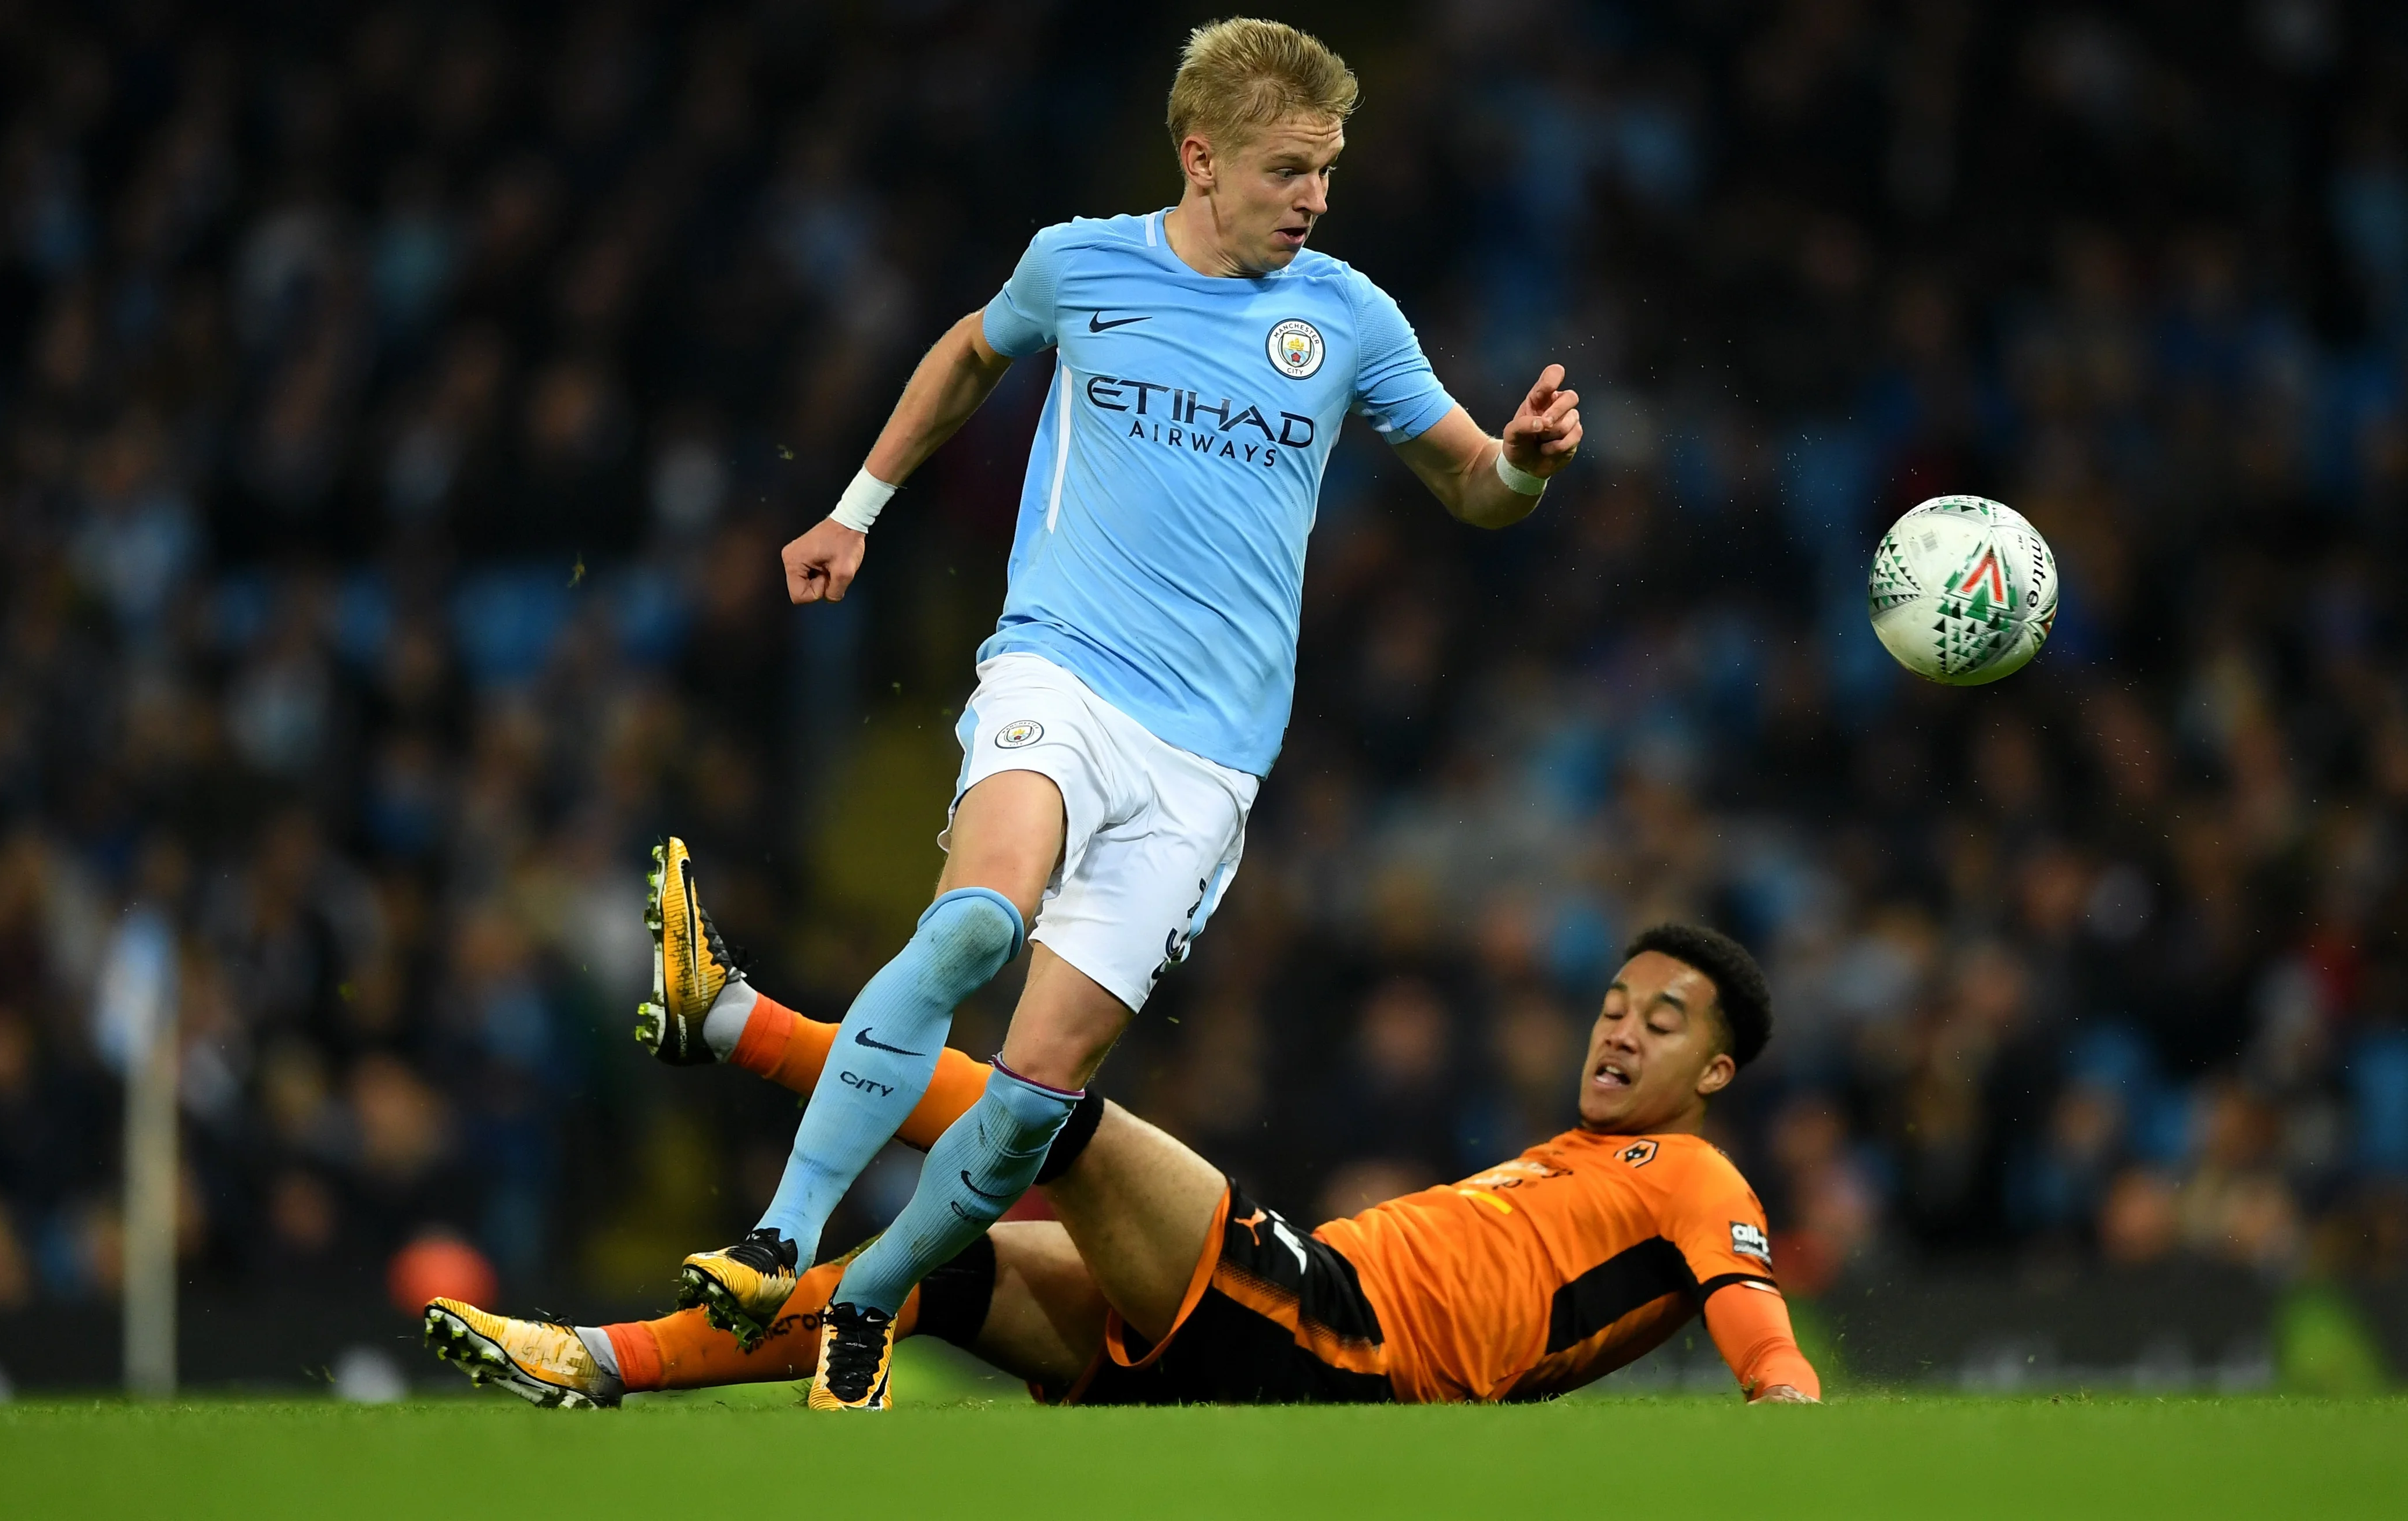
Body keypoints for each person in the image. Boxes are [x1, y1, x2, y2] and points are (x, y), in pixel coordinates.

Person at [637, 19, 1584, 1410]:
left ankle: (875, 1293)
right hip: (1062, 673)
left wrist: (1525, 464)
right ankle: (780, 1237)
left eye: (1327, 171)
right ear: (1201, 159)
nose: (1316, 198)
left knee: (1036, 1093)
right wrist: (856, 509)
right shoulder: (1080, 263)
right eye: (1288, 170)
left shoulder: (1351, 318)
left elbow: (1471, 484)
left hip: (1208, 762)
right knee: (975, 925)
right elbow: (969, 353)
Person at [427, 879, 1820, 1410]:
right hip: (1289, 1338)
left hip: (1346, 1341)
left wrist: (1784, 1399)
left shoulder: (1698, 1176)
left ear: (1717, 1071)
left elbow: (1755, 1319)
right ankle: (598, 1360)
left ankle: (736, 1022)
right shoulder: (1571, 1156)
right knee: (936, 1277)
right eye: (1615, 1002)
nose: (1621, 1029)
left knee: (1056, 1115)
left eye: (1663, 1021)